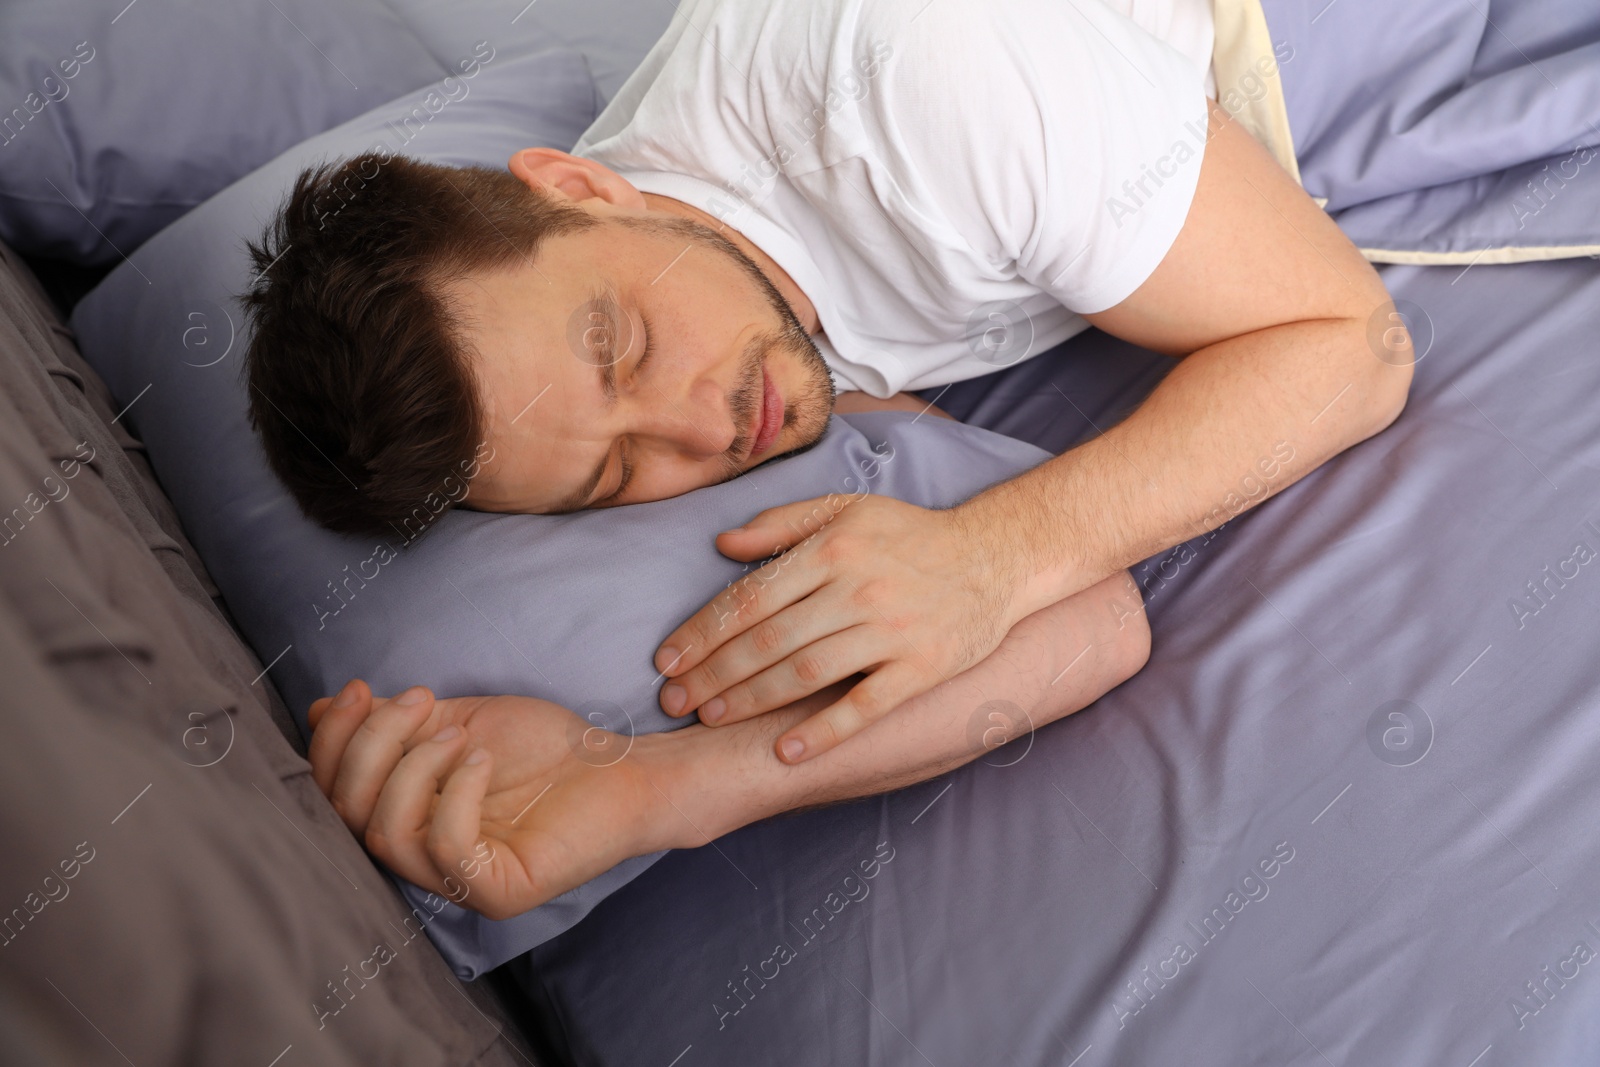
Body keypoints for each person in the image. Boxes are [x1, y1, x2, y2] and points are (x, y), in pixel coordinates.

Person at [245, 0, 1412, 913]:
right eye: (613, 477)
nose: (701, 430)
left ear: (578, 186)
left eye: (622, 349)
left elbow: (1355, 347)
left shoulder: (937, 80)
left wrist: (996, 552)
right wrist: (640, 787)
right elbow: (1092, 620)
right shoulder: (701, 306)